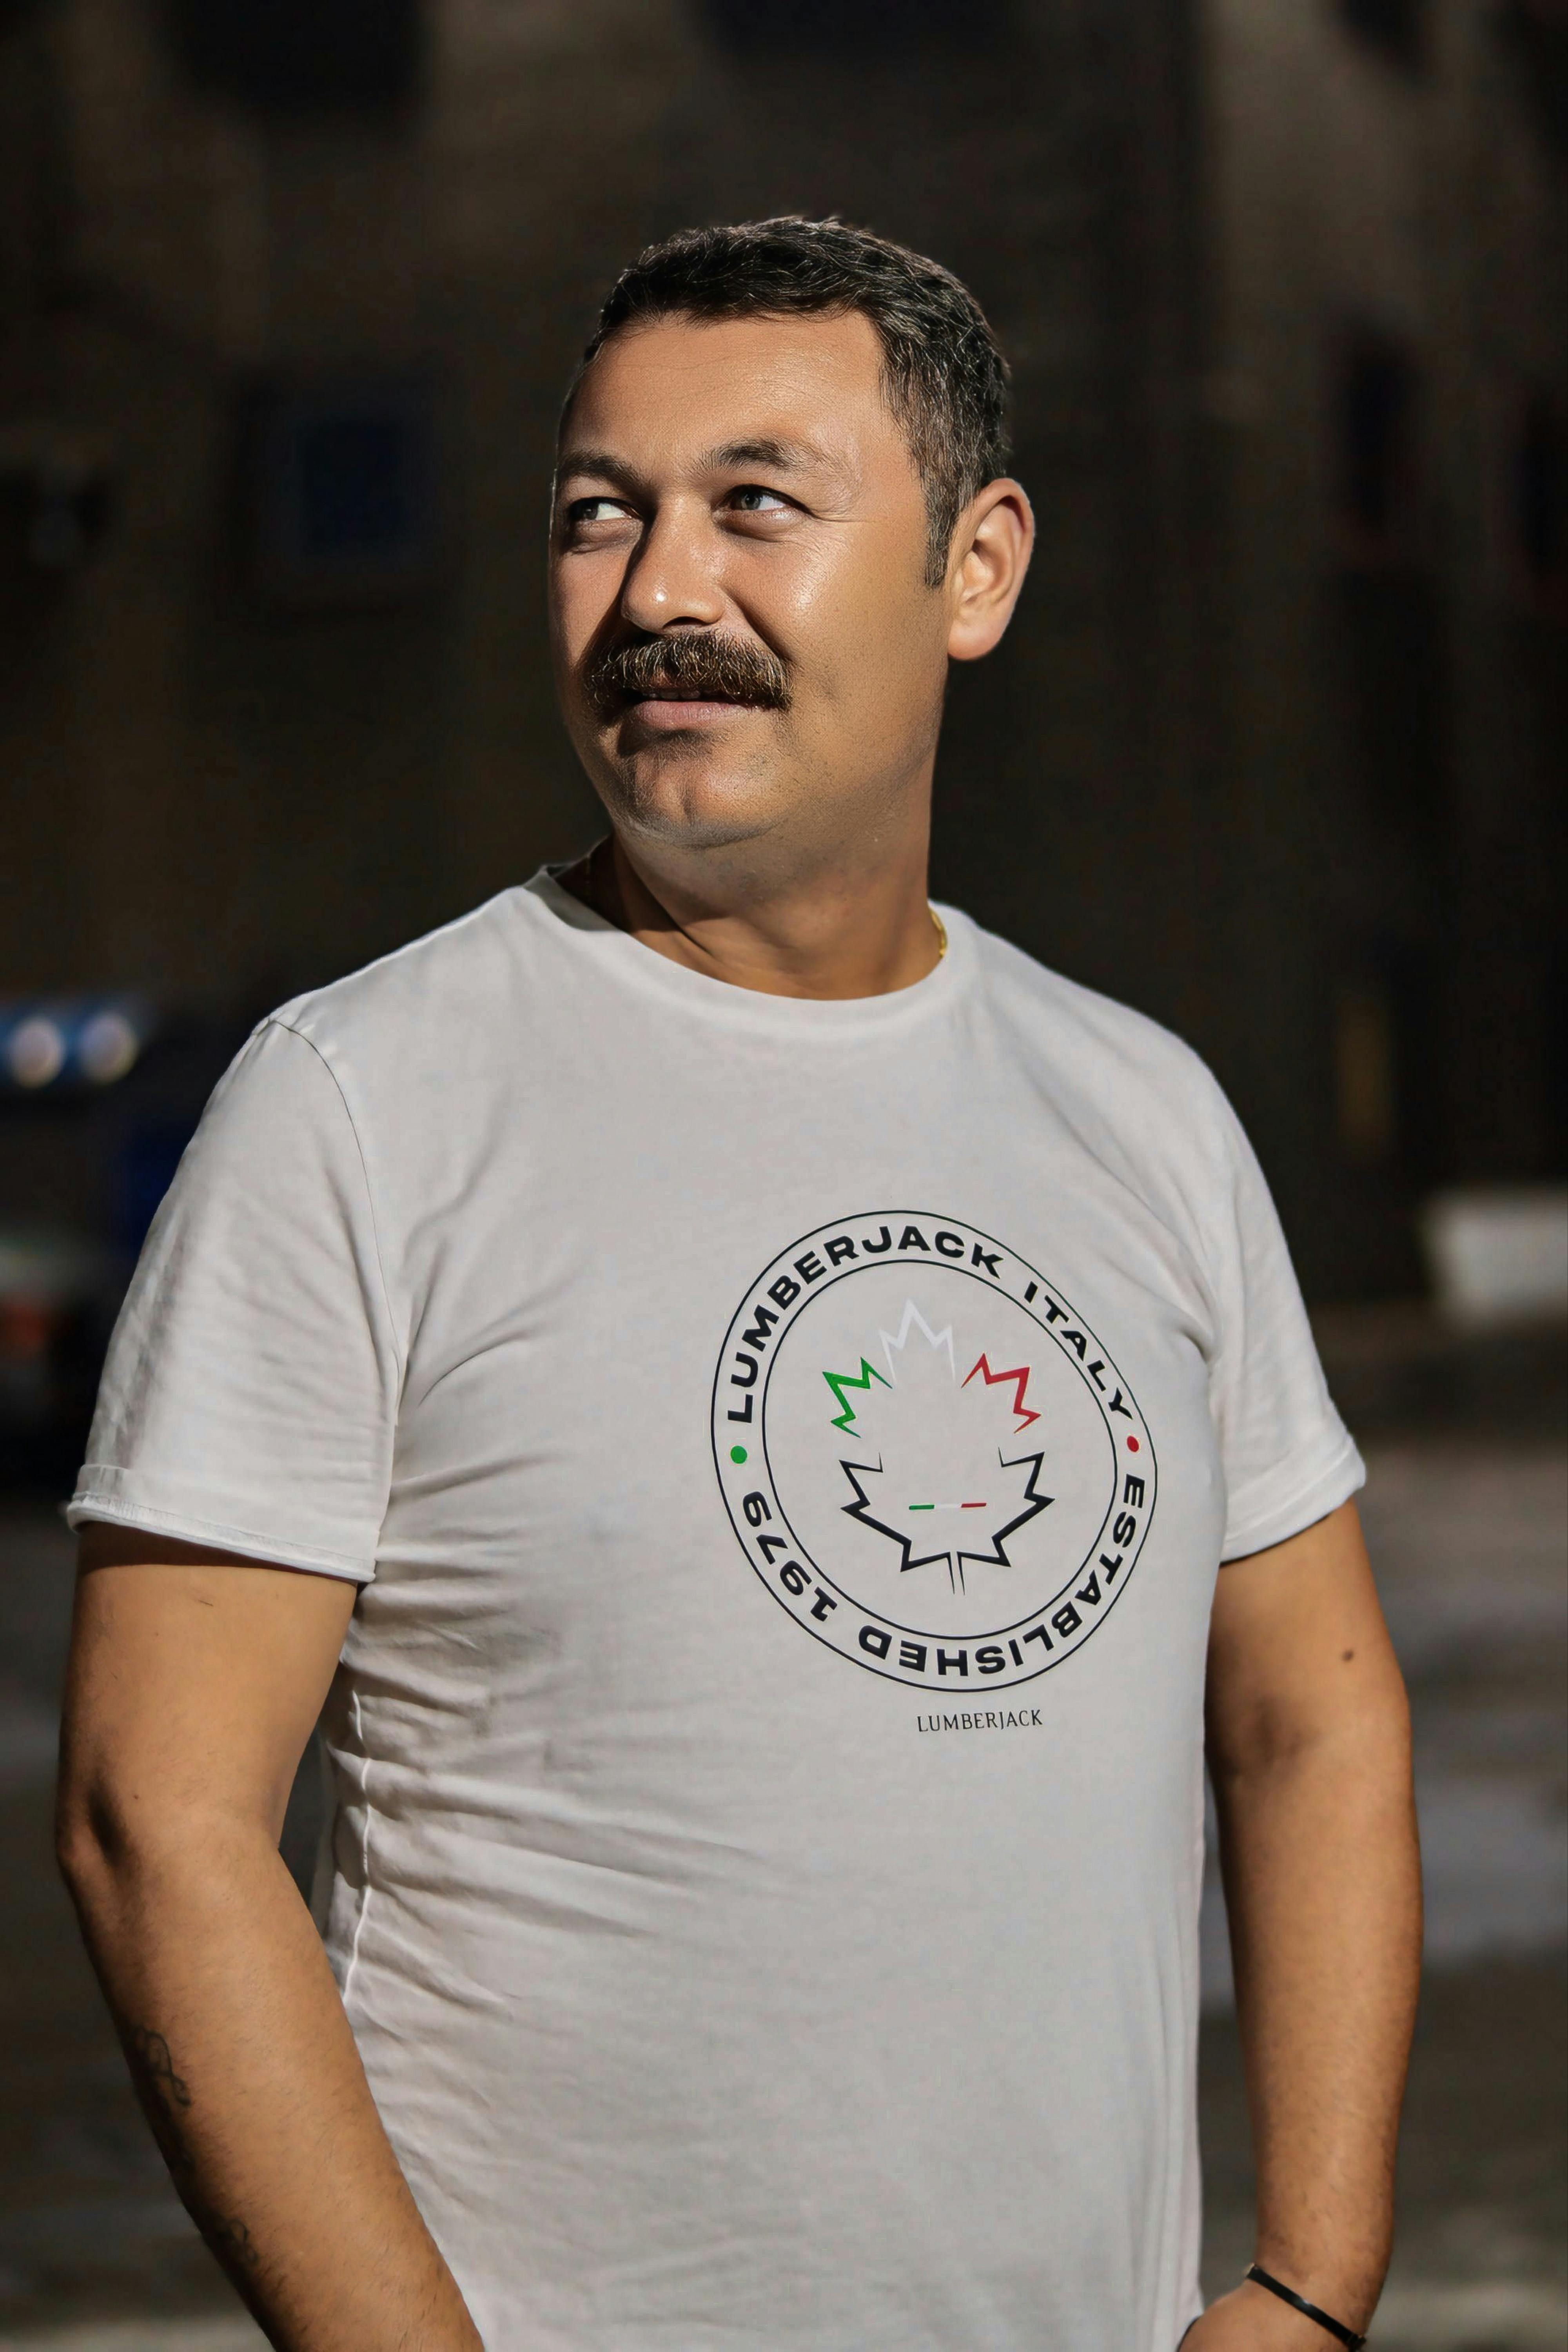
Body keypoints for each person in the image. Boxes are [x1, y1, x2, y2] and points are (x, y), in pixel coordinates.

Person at [58, 218, 1420, 2352]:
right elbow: (158, 1815)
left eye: (755, 508)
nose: (658, 595)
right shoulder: (362, 1106)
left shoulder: (1140, 1108)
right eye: (600, 518)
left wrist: (1313, 2281)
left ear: (975, 570)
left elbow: (1312, 1713)